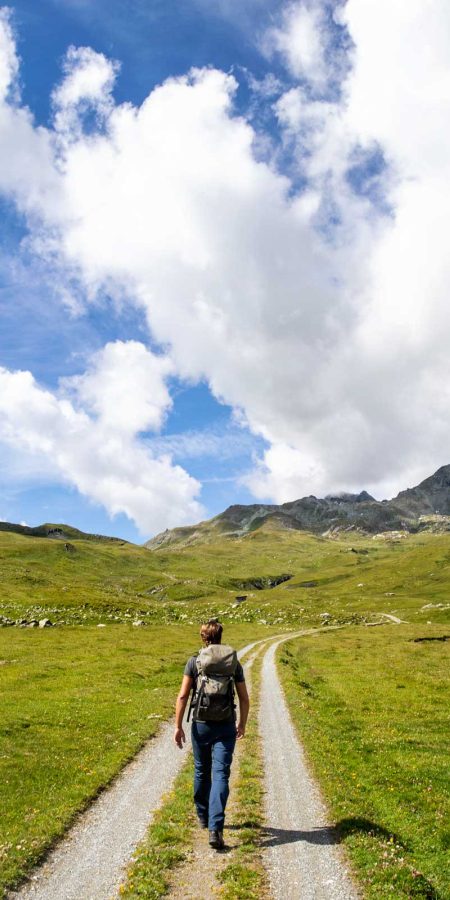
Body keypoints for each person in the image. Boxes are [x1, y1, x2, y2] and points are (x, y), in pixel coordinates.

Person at [174, 618, 250, 849]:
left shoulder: (194, 662)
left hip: (201, 724)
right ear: (220, 636)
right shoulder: (233, 664)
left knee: (201, 769)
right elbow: (244, 698)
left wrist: (178, 726)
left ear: (203, 638)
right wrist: (242, 724)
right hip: (226, 724)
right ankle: (216, 830)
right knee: (221, 774)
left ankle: (203, 816)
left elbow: (183, 696)